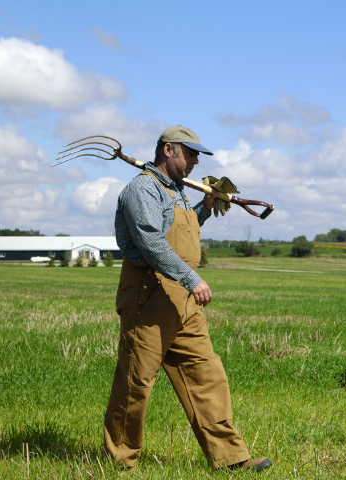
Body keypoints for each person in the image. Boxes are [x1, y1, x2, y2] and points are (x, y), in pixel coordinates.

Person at [104, 125, 272, 472]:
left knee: (206, 375)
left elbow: (181, 230)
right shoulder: (143, 189)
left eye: (199, 155)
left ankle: (230, 459)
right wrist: (191, 278)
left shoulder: (178, 190)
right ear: (169, 150)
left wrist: (206, 205)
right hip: (149, 294)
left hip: (182, 300)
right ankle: (120, 462)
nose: (196, 160)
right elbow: (152, 242)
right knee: (136, 380)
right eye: (191, 152)